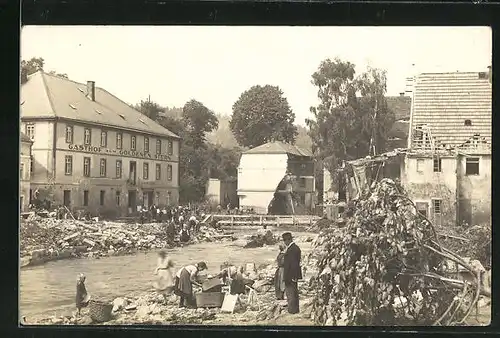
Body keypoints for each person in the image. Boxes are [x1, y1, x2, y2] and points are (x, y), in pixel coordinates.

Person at [282, 232, 302, 314]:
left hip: (290, 275)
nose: (284, 242)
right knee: (293, 292)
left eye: (284, 240)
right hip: (293, 274)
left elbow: (293, 264)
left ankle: (292, 310)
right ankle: (295, 309)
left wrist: (293, 276)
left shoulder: (292, 249)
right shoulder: (295, 248)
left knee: (290, 292)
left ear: (288, 240)